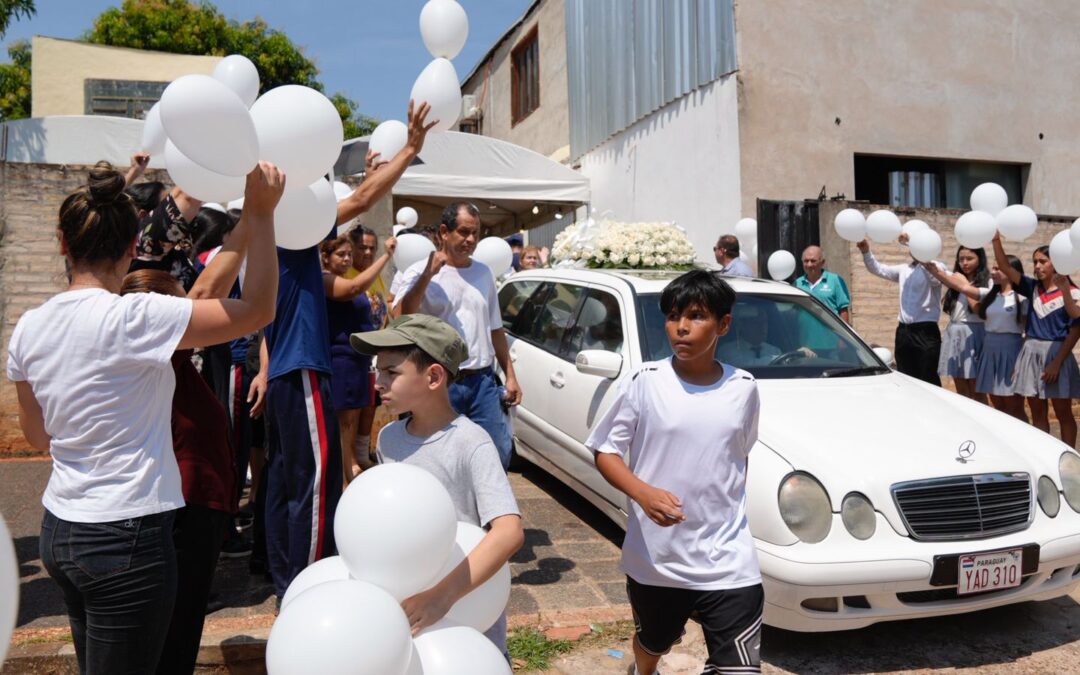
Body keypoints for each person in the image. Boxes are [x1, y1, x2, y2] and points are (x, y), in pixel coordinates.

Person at [7, 162, 283, 673]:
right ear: (133, 246)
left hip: (60, 530)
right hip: (126, 535)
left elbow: (37, 435)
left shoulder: (29, 328)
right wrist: (262, 215)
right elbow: (259, 309)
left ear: (63, 244)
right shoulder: (135, 318)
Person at [263, 99, 435, 601]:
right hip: (303, 370)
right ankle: (308, 588)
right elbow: (359, 201)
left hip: (284, 374)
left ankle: (285, 583)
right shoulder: (291, 230)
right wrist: (412, 148)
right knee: (316, 488)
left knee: (284, 484)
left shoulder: (267, 232)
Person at [587, 270, 763, 675]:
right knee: (654, 641)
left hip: (729, 558)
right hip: (657, 558)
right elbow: (606, 450)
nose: (681, 327)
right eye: (672, 316)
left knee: (739, 670)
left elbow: (737, 455)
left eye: (696, 316)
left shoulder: (745, 387)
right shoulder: (644, 381)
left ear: (723, 324)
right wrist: (643, 493)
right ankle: (643, 670)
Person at [352, 314, 524, 652]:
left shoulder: (471, 442)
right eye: (378, 371)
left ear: (433, 376)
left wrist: (441, 597)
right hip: (409, 612)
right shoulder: (388, 439)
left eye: (392, 372)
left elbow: (509, 531)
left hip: (466, 619)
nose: (378, 383)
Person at [397, 202, 524, 468]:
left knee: (498, 453)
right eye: (464, 232)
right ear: (444, 231)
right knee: (438, 457)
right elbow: (400, 316)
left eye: (475, 233)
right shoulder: (420, 271)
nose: (470, 240)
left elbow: (495, 329)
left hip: (482, 382)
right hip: (440, 383)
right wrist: (428, 275)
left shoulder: (483, 272)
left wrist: (510, 375)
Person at [321, 232, 396, 483]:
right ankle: (341, 482)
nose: (347, 259)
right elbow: (354, 288)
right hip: (342, 360)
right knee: (343, 425)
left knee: (351, 423)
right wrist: (386, 256)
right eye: (341, 254)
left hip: (358, 360)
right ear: (325, 257)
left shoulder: (340, 278)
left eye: (348, 254)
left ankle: (345, 474)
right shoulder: (328, 281)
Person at [993, 233, 1080, 445]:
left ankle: (1069, 458)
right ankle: (1045, 456)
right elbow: (1005, 266)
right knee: (1036, 411)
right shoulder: (1032, 287)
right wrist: (996, 240)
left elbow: (1076, 328)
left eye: (1043, 261)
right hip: (1030, 353)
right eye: (1035, 262)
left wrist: (1057, 363)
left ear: (1057, 263)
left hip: (1058, 354)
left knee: (1063, 412)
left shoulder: (1074, 292)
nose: (1037, 266)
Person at [931, 255, 1028, 420]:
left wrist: (1020, 362)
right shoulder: (989, 294)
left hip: (1011, 349)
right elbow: (962, 288)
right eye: (994, 268)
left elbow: (1028, 331)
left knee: (1014, 406)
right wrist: (930, 267)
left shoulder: (1022, 297)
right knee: (997, 404)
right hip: (989, 349)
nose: (993, 272)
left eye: (998, 268)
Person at [857, 236, 947, 385]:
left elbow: (936, 278)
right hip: (904, 331)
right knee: (905, 376)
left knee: (928, 376)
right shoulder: (904, 269)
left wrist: (917, 248)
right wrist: (866, 251)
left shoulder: (936, 266)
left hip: (925, 331)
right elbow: (878, 269)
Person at [924, 246, 991, 402]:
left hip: (974, 333)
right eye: (961, 259)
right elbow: (934, 269)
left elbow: (977, 309)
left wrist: (965, 284)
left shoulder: (987, 282)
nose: (964, 263)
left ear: (980, 259)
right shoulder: (955, 277)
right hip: (954, 332)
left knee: (976, 386)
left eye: (969, 258)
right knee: (960, 385)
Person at [794, 246, 850, 323]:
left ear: (822, 262)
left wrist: (842, 334)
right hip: (805, 333)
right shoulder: (797, 284)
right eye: (806, 261)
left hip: (829, 333)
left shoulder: (835, 280)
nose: (809, 265)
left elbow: (843, 310)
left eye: (813, 261)